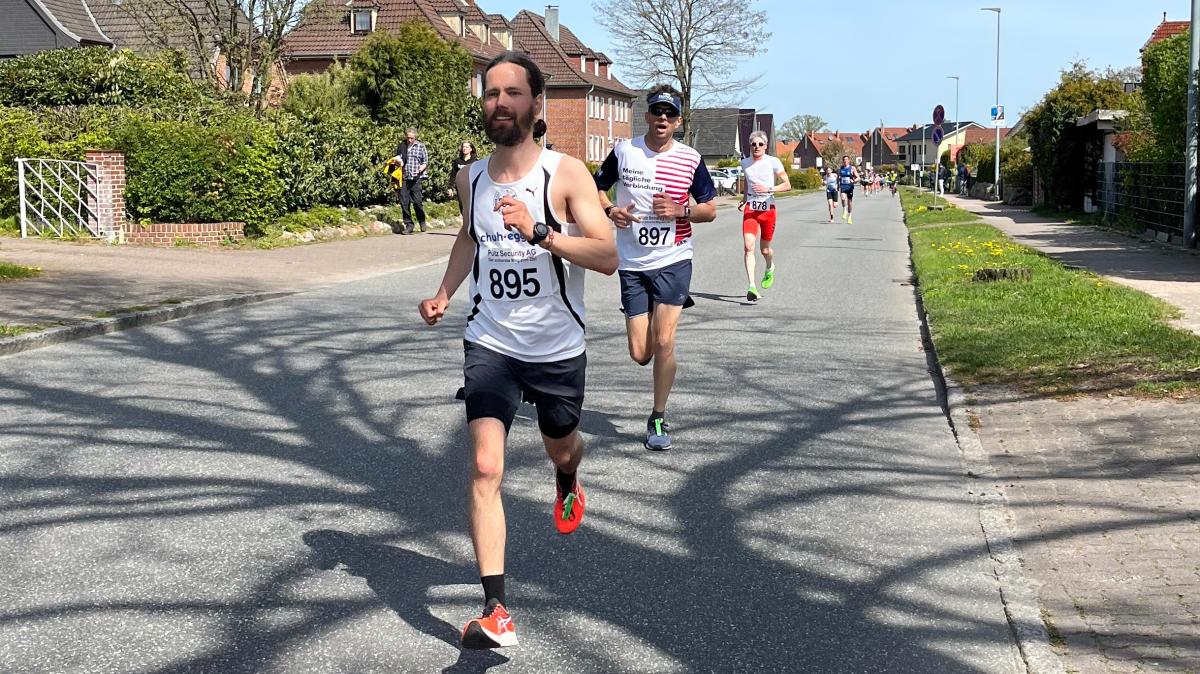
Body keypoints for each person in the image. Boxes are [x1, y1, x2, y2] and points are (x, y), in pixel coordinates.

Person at [418, 52, 618, 650]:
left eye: (511, 93)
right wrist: (444, 293)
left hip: (556, 346)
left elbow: (607, 256)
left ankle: (569, 476)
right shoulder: (469, 179)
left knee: (562, 442)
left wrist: (541, 232)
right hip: (490, 343)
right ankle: (496, 607)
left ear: (536, 105)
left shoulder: (567, 174)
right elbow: (468, 238)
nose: (498, 103)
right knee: (484, 467)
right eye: (490, 93)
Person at [594, 84, 717, 452]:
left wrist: (681, 210)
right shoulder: (624, 151)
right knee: (640, 353)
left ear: (678, 121)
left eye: (670, 114)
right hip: (632, 262)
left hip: (673, 257)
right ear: (646, 115)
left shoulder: (690, 158)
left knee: (664, 341)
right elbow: (597, 188)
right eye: (657, 112)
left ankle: (658, 415)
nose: (662, 119)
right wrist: (609, 210)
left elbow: (709, 209)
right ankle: (647, 315)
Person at [738, 130, 790, 302]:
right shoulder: (745, 163)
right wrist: (745, 197)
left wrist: (769, 189)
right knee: (748, 246)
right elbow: (747, 181)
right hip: (751, 210)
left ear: (766, 146)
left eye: (760, 144)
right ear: (750, 146)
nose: (757, 147)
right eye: (754, 144)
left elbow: (787, 184)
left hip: (768, 210)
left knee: (765, 250)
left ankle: (769, 267)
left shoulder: (773, 162)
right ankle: (752, 286)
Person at [395, 128, 429, 233]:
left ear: (415, 137)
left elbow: (425, 161)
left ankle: (422, 220)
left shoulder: (420, 146)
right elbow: (396, 159)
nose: (409, 140)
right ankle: (409, 224)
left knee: (417, 202)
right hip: (404, 178)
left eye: (412, 138)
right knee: (404, 202)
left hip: (415, 178)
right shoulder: (401, 146)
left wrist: (419, 170)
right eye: (408, 138)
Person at [449, 141, 479, 211]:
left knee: (471, 205)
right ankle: (465, 220)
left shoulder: (475, 162)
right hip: (460, 187)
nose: (464, 148)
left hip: (471, 187)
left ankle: (471, 220)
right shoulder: (457, 161)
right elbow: (453, 175)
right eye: (463, 147)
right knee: (462, 205)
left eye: (466, 147)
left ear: (471, 149)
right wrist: (450, 188)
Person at [838, 155, 859, 224]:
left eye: (846, 159)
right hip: (843, 186)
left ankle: (849, 216)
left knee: (849, 202)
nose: (845, 161)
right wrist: (837, 185)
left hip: (850, 187)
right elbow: (838, 178)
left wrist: (854, 181)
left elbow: (858, 177)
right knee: (843, 198)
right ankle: (844, 210)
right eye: (844, 159)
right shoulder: (841, 168)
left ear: (849, 160)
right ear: (843, 161)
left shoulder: (852, 168)